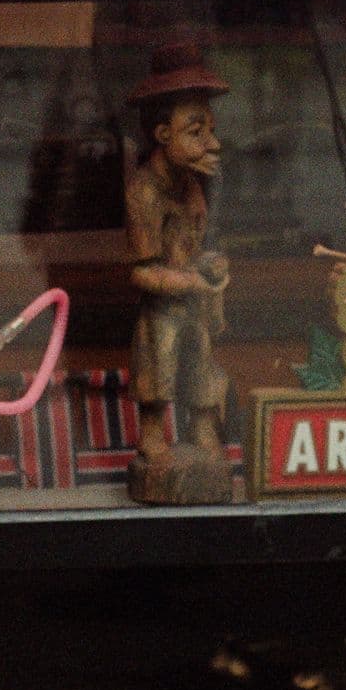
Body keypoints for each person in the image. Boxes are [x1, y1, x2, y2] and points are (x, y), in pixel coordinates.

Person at [123, 44, 231, 469]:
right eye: (196, 132)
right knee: (159, 355)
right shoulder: (144, 192)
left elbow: (192, 247)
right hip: (162, 306)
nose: (213, 143)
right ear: (164, 134)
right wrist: (191, 281)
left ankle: (204, 430)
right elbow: (142, 272)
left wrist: (209, 267)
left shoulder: (192, 185)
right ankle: (153, 435)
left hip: (192, 301)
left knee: (202, 358)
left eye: (210, 129)